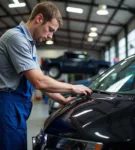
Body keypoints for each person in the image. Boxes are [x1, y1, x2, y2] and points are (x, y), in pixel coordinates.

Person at [0, 1, 92, 150]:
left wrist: (62, 99)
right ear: (39, 19)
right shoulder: (16, 38)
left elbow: (39, 81)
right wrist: (73, 88)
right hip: (7, 105)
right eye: (50, 29)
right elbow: (39, 82)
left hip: (17, 107)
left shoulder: (30, 44)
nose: (50, 36)